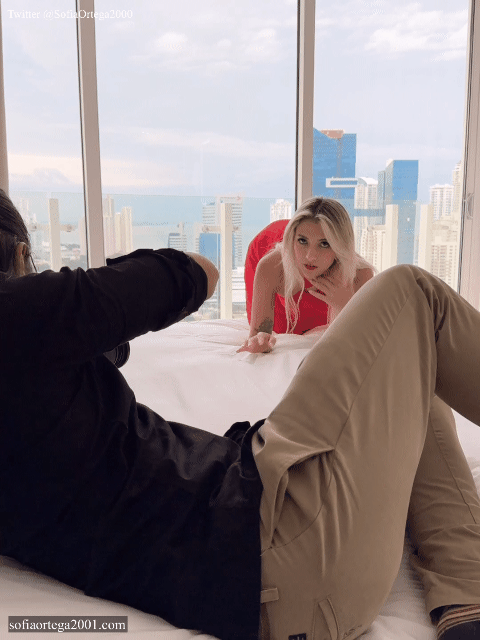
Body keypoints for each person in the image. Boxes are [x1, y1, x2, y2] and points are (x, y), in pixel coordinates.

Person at [2, 188, 480, 640]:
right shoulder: (22, 316)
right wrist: (65, 302)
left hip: (281, 569)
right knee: (413, 291)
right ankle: (466, 581)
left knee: (411, 362)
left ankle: (466, 601)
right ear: (22, 256)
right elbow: (197, 272)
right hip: (281, 540)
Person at [239, 197, 374, 354]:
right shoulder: (271, 266)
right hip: (268, 247)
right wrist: (259, 340)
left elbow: (364, 344)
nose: (310, 256)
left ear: (339, 246)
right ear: (292, 239)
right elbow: (258, 335)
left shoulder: (360, 275)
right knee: (282, 330)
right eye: (303, 241)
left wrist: (344, 305)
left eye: (324, 244)